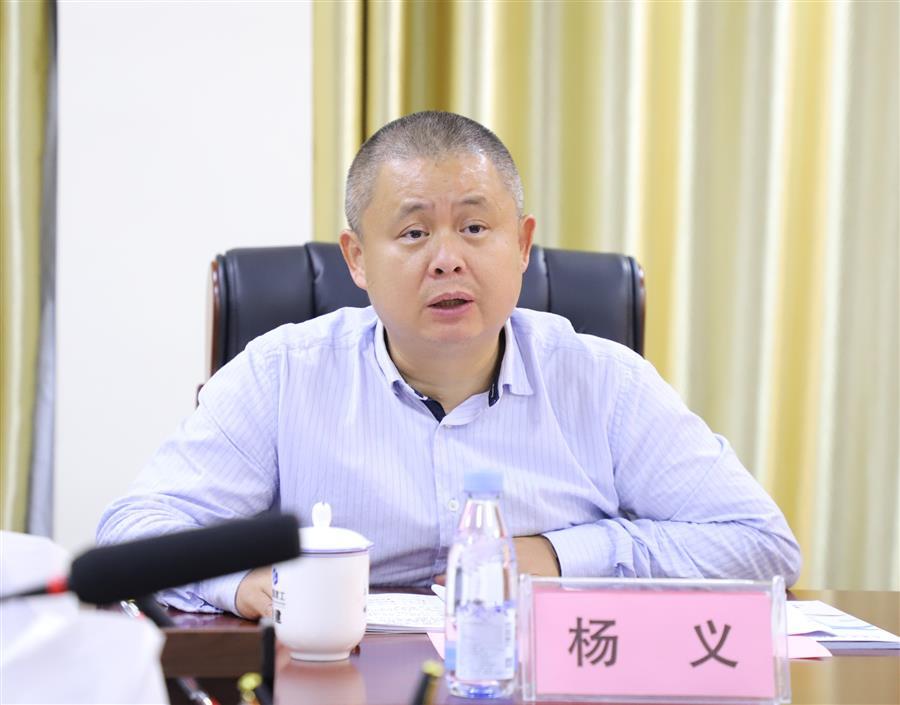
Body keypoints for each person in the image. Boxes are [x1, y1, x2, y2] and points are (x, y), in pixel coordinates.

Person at [97, 111, 801, 619]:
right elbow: (135, 529)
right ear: (357, 259)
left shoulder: (603, 382)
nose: (447, 259)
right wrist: (244, 584)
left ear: (521, 245)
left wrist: (560, 556)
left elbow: (759, 544)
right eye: (413, 232)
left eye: (474, 226)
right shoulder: (281, 376)